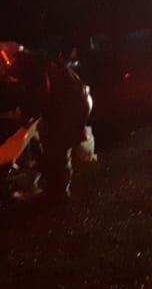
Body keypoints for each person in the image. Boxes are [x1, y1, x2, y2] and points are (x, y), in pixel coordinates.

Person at [0, 41, 92, 204]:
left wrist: (25, 116)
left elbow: (40, 95)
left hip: (72, 103)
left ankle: (58, 193)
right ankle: (50, 184)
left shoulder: (33, 66)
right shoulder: (34, 64)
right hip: (71, 101)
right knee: (45, 136)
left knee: (56, 144)